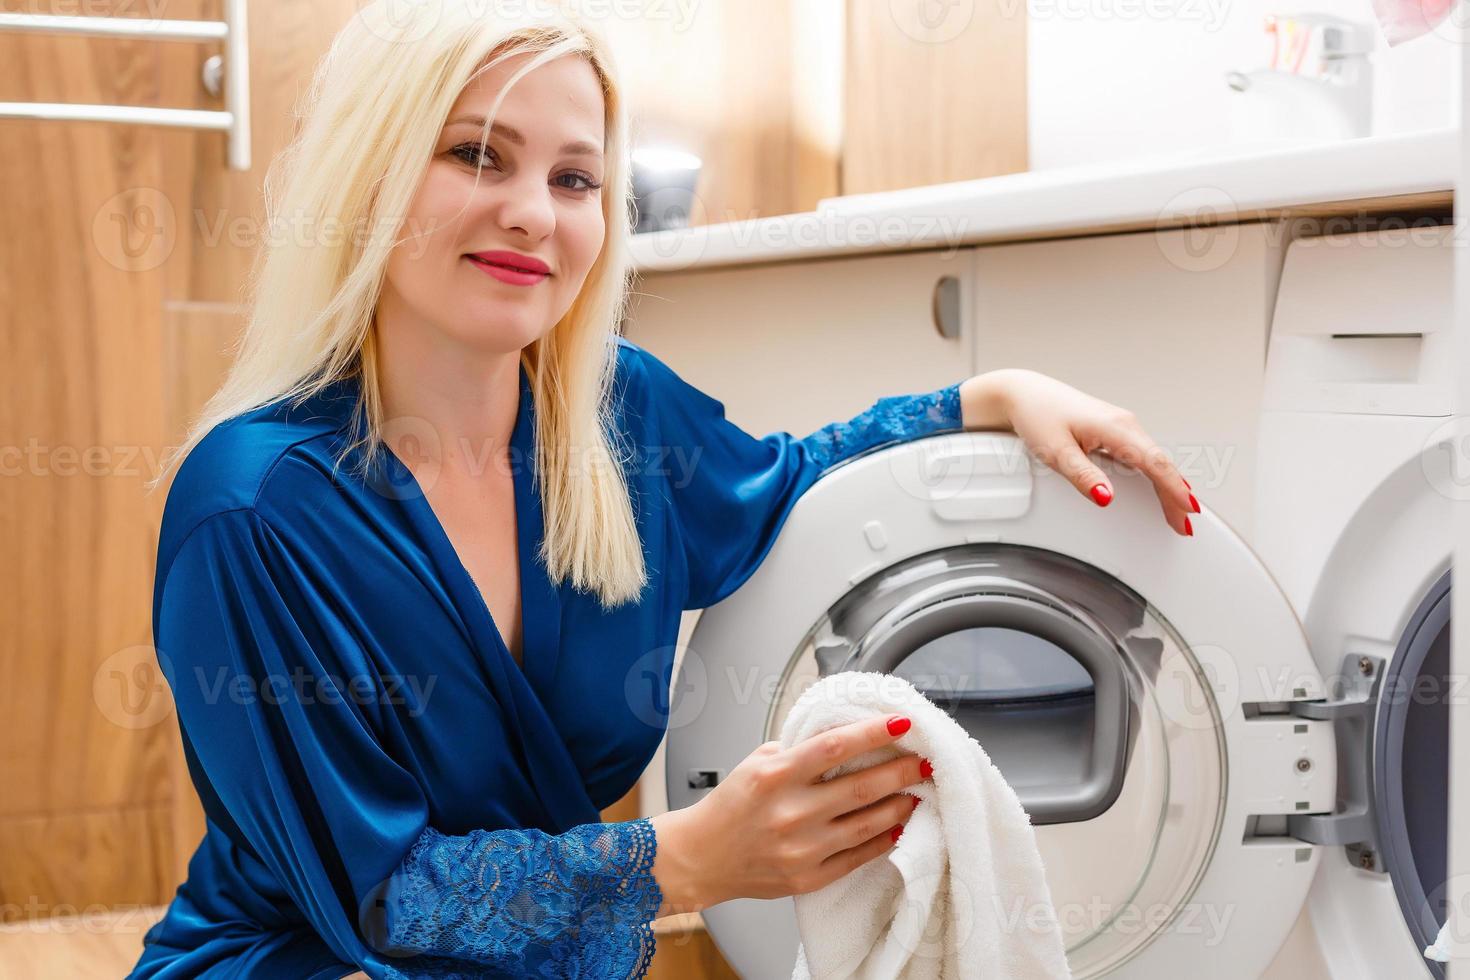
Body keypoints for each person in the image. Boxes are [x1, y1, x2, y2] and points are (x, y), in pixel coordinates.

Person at [129, 3, 1200, 977]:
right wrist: (686, 859)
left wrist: (984, 395)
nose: (534, 216)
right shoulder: (255, 510)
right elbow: (384, 900)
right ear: (367, 175)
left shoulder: (614, 417)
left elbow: (786, 483)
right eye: (475, 155)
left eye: (574, 178)